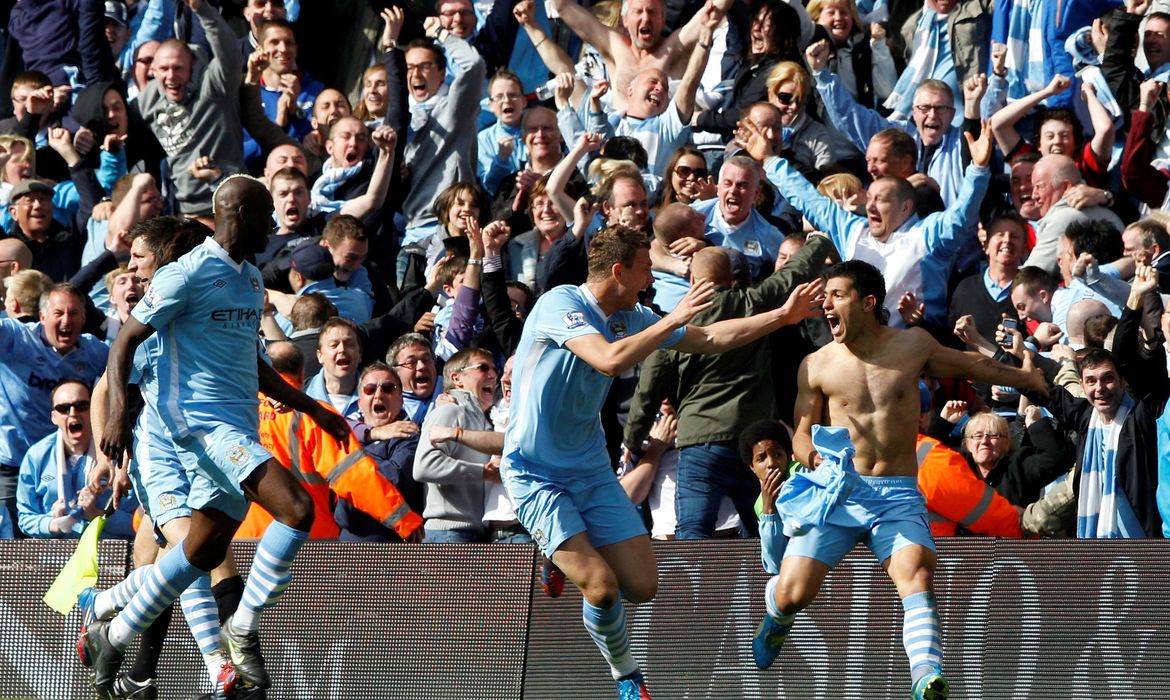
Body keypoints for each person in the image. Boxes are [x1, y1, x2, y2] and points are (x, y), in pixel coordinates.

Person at [502, 224, 824, 698]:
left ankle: (562, 552)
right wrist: (668, 321)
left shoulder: (629, 315)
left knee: (642, 586)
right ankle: (627, 675)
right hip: (534, 472)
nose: (651, 277)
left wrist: (781, 315)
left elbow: (713, 337)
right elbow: (609, 361)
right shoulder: (560, 304)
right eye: (646, 267)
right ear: (619, 271)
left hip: (589, 469)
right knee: (602, 587)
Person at [86, 176, 351, 697]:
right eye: (264, 213)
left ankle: (112, 632)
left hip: (237, 422)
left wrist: (312, 408)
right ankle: (241, 630)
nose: (273, 223)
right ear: (233, 213)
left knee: (201, 553)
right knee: (296, 509)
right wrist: (116, 421)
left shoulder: (251, 278)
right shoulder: (185, 274)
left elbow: (254, 365)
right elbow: (124, 343)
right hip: (198, 424)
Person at [750, 260, 1047, 700]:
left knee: (918, 575)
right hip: (837, 491)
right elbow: (800, 431)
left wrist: (1025, 377)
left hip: (897, 494)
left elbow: (971, 366)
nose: (825, 304)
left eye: (836, 295)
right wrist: (811, 456)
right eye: (825, 296)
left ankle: (926, 675)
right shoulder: (815, 365)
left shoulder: (913, 346)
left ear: (868, 303)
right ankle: (776, 616)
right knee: (794, 594)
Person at [0, 282, 108, 535]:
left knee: (61, 529)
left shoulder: (96, 352)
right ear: (42, 316)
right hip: (12, 461)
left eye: (73, 313)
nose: (66, 320)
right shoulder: (16, 338)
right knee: (9, 540)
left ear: (84, 317)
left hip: (61, 461)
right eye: (59, 313)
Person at [16, 379, 137, 540]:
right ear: (53, 416)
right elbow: (25, 518)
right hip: (52, 556)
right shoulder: (36, 457)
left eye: (81, 406)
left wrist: (99, 515)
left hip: (108, 555)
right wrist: (52, 523)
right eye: (63, 408)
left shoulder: (119, 456)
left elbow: (141, 524)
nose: (73, 413)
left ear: (93, 411)